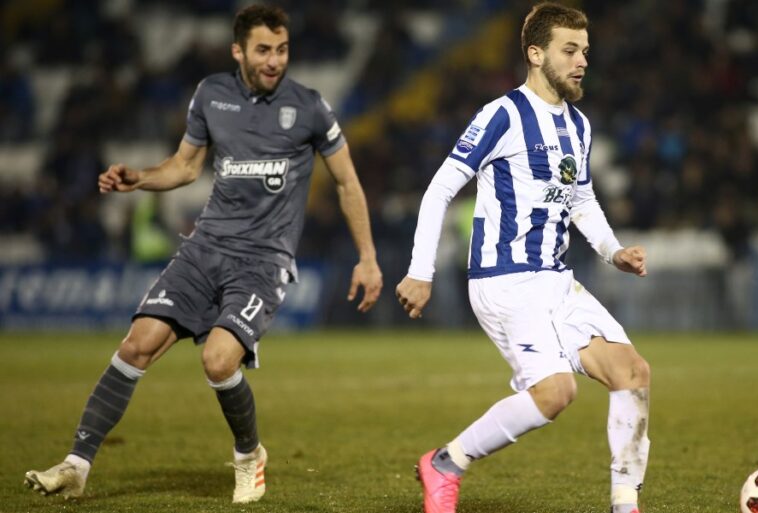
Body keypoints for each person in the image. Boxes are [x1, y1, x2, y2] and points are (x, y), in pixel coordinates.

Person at [25, 4, 382, 504]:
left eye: (282, 50)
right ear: (238, 51)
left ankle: (249, 456)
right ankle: (77, 465)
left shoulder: (310, 107)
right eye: (263, 50)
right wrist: (141, 178)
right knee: (136, 345)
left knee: (217, 360)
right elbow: (186, 167)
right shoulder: (211, 94)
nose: (275, 60)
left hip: (263, 261)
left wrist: (367, 257)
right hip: (205, 248)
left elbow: (347, 182)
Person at [395, 4, 650, 513]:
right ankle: (446, 462)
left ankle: (626, 504)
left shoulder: (579, 125)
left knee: (633, 372)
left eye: (585, 51)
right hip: (505, 280)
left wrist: (612, 251)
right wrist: (420, 272)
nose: (582, 61)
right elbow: (440, 189)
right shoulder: (503, 115)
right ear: (536, 54)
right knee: (556, 392)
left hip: (556, 280)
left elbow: (581, 198)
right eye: (569, 50)